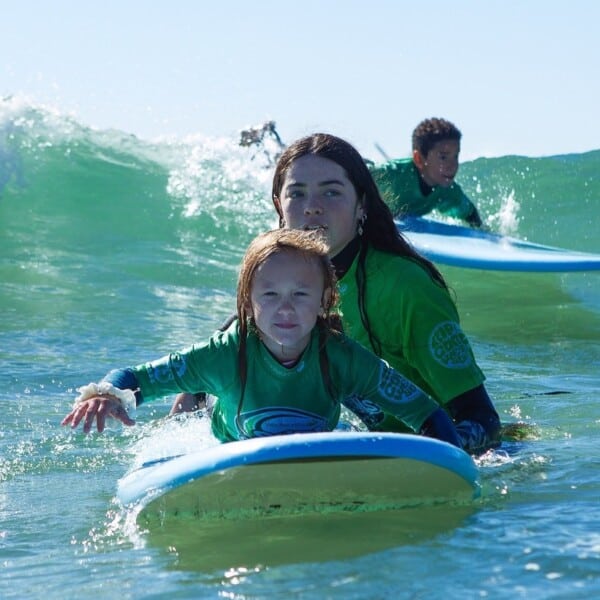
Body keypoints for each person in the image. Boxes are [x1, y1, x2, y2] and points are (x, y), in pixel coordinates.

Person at [61, 228, 460, 446]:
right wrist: (104, 395)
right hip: (227, 441)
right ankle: (195, 395)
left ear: (324, 300)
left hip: (315, 431)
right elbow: (135, 377)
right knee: (189, 404)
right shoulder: (223, 353)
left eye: (301, 295)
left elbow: (427, 414)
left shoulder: (341, 356)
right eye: (269, 295)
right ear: (247, 302)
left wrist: (454, 461)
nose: (285, 309)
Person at [270, 133, 501, 454]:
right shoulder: (279, 280)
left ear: (361, 204)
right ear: (280, 206)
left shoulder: (405, 288)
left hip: (436, 457)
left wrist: (428, 454)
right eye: (297, 193)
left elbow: (483, 420)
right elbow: (237, 334)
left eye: (331, 192)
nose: (312, 208)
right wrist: (195, 391)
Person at [368, 118, 484, 228]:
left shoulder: (448, 191)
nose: (452, 165)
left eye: (455, 156)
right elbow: (358, 173)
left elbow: (471, 215)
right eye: (443, 157)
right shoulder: (392, 175)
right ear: (419, 159)